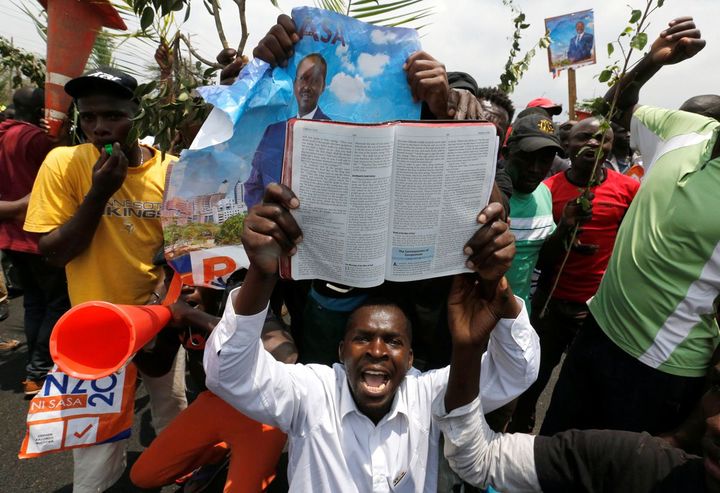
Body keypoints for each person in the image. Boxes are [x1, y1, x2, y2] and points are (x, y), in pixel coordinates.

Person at [204, 182, 539, 492]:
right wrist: (262, 275)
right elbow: (228, 372)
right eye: (363, 338)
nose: (377, 350)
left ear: (410, 359)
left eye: (393, 341)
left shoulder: (429, 395)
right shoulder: (312, 394)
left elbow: (518, 370)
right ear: (340, 351)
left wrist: (498, 289)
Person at [540, 16, 718, 436]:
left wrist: (686, 432)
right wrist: (651, 61)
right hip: (597, 331)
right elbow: (612, 110)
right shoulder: (689, 127)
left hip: (660, 368)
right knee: (554, 453)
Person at [23, 67, 187, 492]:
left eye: (112, 116)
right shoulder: (64, 163)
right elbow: (54, 253)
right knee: (95, 443)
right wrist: (99, 194)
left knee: (171, 412)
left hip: (156, 320)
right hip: (91, 329)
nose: (99, 128)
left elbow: (184, 254)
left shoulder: (173, 173)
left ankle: (177, 474)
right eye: (89, 117)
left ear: (138, 113)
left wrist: (165, 312)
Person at [433, 308, 720, 493]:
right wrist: (468, 347)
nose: (715, 423)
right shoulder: (636, 463)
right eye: (719, 389)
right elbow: (480, 460)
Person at [510, 117, 640, 433]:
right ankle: (519, 427)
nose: (594, 143)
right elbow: (541, 254)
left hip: (597, 310)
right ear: (568, 144)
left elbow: (630, 242)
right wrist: (566, 232)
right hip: (550, 304)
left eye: (602, 138)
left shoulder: (629, 189)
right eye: (585, 137)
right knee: (533, 376)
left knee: (581, 382)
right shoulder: (546, 190)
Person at [131, 294, 293, 492]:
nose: (186, 285)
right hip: (217, 402)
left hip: (263, 412)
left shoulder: (241, 294)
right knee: (143, 476)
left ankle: (241, 456)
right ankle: (219, 451)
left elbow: (285, 356)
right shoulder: (178, 303)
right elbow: (158, 368)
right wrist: (136, 342)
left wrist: (193, 316)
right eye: (173, 269)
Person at [0, 87, 70, 394]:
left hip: (10, 235)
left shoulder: (4, 133)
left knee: (33, 303)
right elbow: (65, 165)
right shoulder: (38, 140)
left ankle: (35, 366)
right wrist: (62, 135)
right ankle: (40, 371)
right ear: (43, 112)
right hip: (39, 234)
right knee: (56, 302)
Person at [244, 53, 331, 209]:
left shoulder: (335, 133)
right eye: (303, 78)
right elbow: (253, 185)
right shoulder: (273, 132)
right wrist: (266, 215)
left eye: (315, 81)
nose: (307, 87)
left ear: (323, 87)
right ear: (295, 83)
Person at [502, 113, 564, 306]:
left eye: (545, 160)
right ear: (506, 154)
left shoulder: (544, 193)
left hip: (519, 319)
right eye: (527, 158)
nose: (535, 169)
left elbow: (543, 259)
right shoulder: (485, 197)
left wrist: (566, 229)